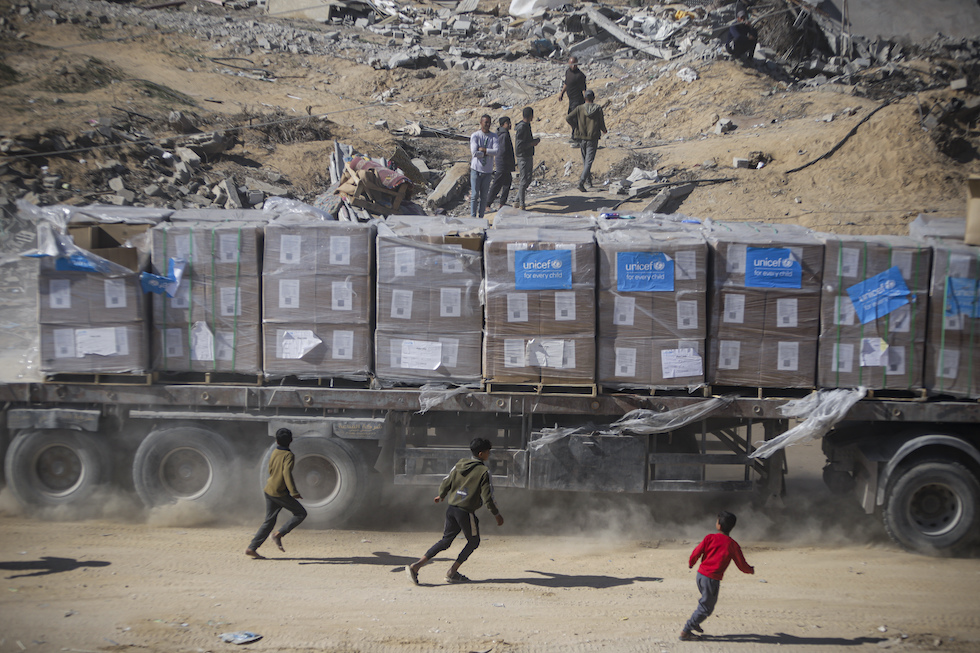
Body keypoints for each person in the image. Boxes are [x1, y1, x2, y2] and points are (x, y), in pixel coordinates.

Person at [406, 437, 504, 585]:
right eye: (487, 452)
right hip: (465, 512)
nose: (489, 454)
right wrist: (496, 514)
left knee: (445, 541)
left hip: (451, 509)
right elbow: (488, 496)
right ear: (480, 454)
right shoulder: (484, 472)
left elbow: (447, 480)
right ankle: (452, 572)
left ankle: (416, 566)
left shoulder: (459, 464)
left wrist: (442, 494)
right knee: (474, 541)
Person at [680, 511, 755, 641]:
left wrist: (691, 563)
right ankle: (686, 631)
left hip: (700, 576)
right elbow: (741, 564)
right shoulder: (732, 545)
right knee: (706, 608)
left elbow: (696, 552)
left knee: (705, 601)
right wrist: (750, 570)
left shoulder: (709, 538)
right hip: (711, 580)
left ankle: (696, 621)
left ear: (718, 525)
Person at [245, 428, 306, 559]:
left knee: (269, 521)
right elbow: (286, 473)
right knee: (301, 513)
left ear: (277, 441)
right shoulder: (289, 455)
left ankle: (252, 548)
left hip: (269, 489)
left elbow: (271, 468)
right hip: (279, 492)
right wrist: (294, 492)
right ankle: (278, 534)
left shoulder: (274, 451)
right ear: (291, 441)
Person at [565, 90, 607, 193]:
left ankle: (588, 182)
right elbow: (601, 122)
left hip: (581, 138)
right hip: (592, 138)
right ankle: (581, 182)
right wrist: (604, 130)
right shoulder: (597, 108)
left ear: (585, 98)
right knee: (589, 161)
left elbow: (568, 117)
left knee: (585, 161)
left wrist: (575, 127)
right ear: (593, 98)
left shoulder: (579, 108)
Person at [469, 114, 499, 218]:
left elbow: (496, 151)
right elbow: (474, 152)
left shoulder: (494, 136)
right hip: (476, 169)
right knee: (474, 195)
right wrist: (487, 153)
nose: (487, 125)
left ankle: (481, 217)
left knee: (483, 196)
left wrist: (484, 150)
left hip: (487, 171)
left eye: (489, 122)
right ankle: (473, 217)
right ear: (481, 123)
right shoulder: (476, 136)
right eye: (485, 122)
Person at [513, 107, 540, 211]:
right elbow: (519, 145)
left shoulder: (526, 125)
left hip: (527, 155)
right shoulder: (522, 127)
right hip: (523, 156)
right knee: (524, 180)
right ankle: (522, 204)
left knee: (528, 179)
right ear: (530, 116)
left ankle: (517, 200)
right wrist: (531, 144)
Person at [487, 115, 516, 211]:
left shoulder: (503, 133)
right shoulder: (503, 135)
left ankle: (502, 204)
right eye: (508, 123)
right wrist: (506, 163)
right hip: (503, 164)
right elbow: (502, 151)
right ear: (503, 124)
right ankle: (487, 204)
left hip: (504, 164)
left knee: (507, 183)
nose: (510, 125)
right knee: (497, 184)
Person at [558, 56, 587, 142]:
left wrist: (587, 101)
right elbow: (566, 84)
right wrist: (561, 93)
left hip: (578, 100)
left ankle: (578, 136)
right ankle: (575, 134)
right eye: (572, 64)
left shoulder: (580, 75)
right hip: (571, 100)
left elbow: (584, 89)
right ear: (569, 64)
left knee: (572, 118)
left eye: (575, 64)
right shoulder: (568, 72)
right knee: (571, 118)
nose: (573, 66)